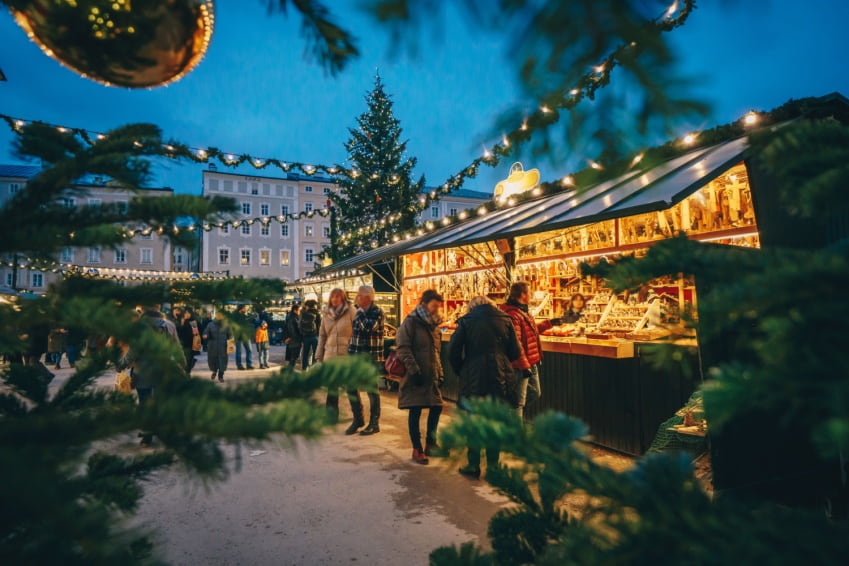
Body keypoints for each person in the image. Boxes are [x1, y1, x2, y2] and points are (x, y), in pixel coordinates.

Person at [449, 295, 521, 478]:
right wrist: (502, 362)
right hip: (501, 377)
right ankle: (494, 467)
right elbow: (516, 351)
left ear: (471, 307)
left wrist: (462, 369)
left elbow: (453, 351)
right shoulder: (506, 320)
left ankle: (473, 465)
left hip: (474, 377)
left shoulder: (467, 321)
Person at [396, 289, 445, 465]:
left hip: (431, 375)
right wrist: (414, 370)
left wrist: (440, 373)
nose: (436, 310)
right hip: (415, 374)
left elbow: (436, 352)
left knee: (437, 407)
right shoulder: (411, 323)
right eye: (434, 306)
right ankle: (417, 449)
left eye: (438, 307)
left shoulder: (434, 326)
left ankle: (431, 443)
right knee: (415, 409)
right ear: (424, 304)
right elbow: (403, 347)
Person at [500, 282, 563, 418]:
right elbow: (515, 343)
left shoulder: (523, 311)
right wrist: (524, 366)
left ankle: (511, 417)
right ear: (522, 295)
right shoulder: (512, 314)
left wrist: (550, 323)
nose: (531, 295)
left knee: (534, 392)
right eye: (529, 292)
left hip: (530, 361)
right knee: (518, 401)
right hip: (520, 365)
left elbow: (531, 332)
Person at [131, 304, 183, 446]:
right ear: (159, 308)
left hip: (142, 370)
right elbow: (176, 347)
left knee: (144, 401)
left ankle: (147, 435)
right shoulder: (169, 325)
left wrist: (123, 364)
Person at [346, 285, 386, 436]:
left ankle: (374, 423)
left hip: (370, 358)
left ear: (367, 298)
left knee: (371, 390)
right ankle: (358, 418)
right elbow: (355, 333)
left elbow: (368, 327)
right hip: (356, 356)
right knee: (350, 386)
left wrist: (360, 312)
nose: (356, 298)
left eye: (359, 296)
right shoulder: (359, 312)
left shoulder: (377, 312)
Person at [316, 289, 357, 423]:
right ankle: (331, 416)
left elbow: (357, 333)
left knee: (351, 387)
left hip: (347, 355)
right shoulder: (326, 314)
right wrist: (319, 355)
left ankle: (358, 415)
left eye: (338, 297)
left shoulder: (351, 312)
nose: (335, 299)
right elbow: (322, 335)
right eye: (333, 297)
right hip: (331, 354)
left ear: (343, 298)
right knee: (332, 387)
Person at [203, 311, 231, 382]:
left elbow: (230, 334)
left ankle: (221, 376)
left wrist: (231, 342)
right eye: (218, 315)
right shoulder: (210, 324)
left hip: (223, 346)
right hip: (213, 346)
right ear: (216, 316)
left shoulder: (226, 325)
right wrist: (205, 335)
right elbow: (206, 332)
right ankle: (214, 372)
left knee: (222, 361)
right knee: (213, 360)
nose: (219, 316)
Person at [176, 307, 200, 372]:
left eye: (188, 313)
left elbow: (196, 334)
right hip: (182, 344)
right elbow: (178, 332)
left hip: (190, 344)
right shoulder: (180, 320)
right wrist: (182, 323)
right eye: (185, 313)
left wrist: (196, 346)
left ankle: (187, 371)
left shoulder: (193, 322)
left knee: (189, 359)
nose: (187, 314)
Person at [299, 300, 321, 370]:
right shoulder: (317, 313)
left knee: (305, 353)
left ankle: (304, 368)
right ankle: (314, 368)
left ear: (307, 306)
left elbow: (300, 325)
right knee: (315, 353)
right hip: (314, 336)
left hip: (305, 336)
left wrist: (302, 334)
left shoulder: (304, 313)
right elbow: (319, 325)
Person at [233, 304, 254, 370]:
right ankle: (239, 365)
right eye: (245, 308)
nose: (246, 309)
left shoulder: (247, 315)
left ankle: (249, 364)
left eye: (246, 308)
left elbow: (250, 322)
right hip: (238, 335)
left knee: (249, 350)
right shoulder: (235, 315)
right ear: (241, 308)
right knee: (239, 351)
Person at [284, 304, 303, 368]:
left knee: (293, 357)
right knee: (294, 357)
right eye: (299, 310)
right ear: (295, 310)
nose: (299, 312)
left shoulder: (290, 317)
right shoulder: (293, 318)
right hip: (294, 340)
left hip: (292, 339)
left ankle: (289, 370)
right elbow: (293, 330)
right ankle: (289, 371)